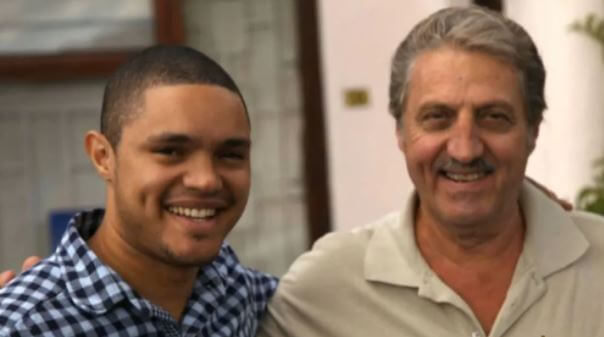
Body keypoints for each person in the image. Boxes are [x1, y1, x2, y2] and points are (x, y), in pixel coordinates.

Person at [258, 6, 604, 337]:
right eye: (438, 117)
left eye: (494, 117)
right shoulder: (325, 289)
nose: (465, 149)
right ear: (401, 133)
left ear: (532, 131)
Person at [0, 45, 277, 336]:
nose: (206, 180)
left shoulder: (244, 296)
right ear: (103, 157)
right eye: (171, 151)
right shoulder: (26, 325)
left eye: (230, 155)